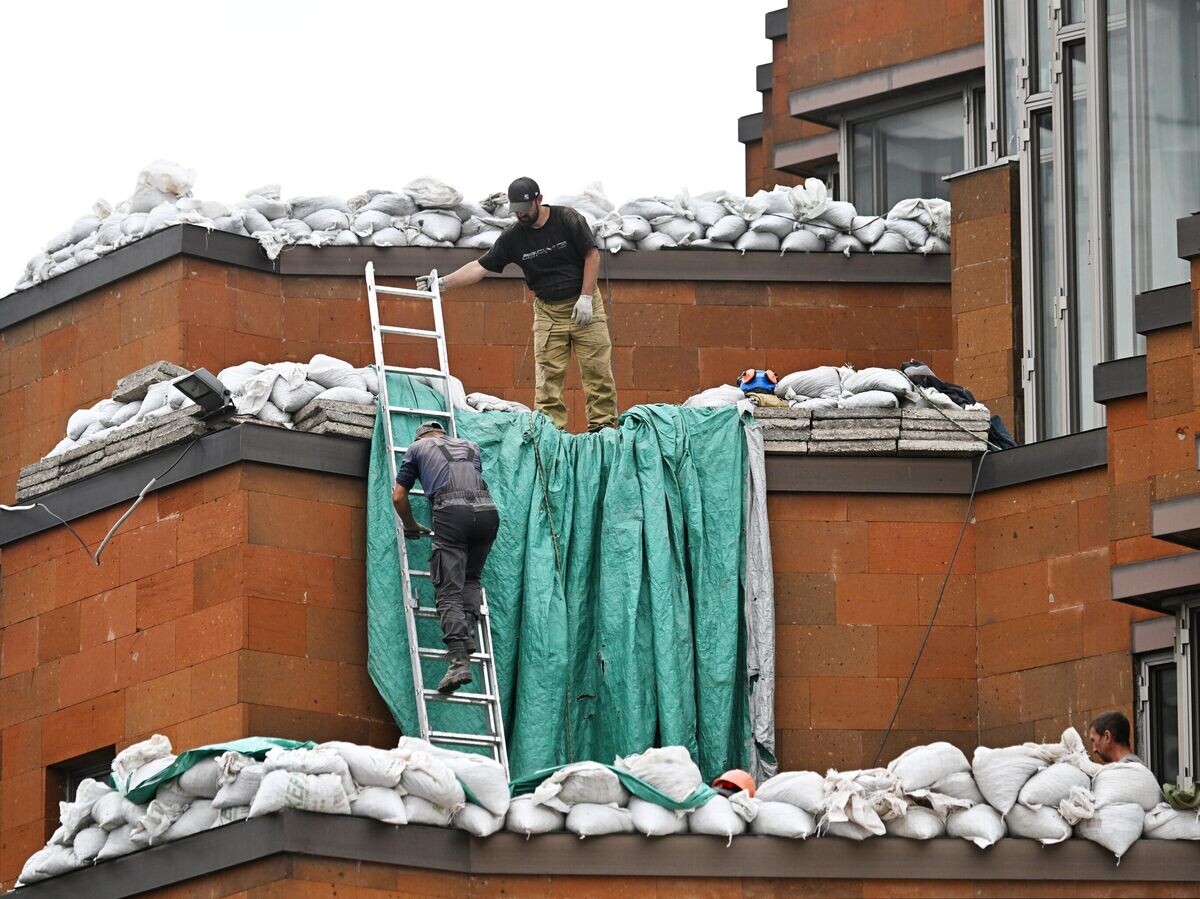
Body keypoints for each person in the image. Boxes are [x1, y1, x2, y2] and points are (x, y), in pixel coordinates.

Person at [417, 176, 618, 432]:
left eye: (525, 210)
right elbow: (480, 267)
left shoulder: (567, 219)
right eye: (516, 211)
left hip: (584, 304)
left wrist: (586, 296)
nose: (520, 216)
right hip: (549, 313)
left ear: (539, 200)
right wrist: (442, 283)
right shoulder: (513, 237)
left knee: (597, 372)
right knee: (548, 380)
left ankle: (603, 431)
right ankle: (550, 434)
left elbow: (591, 254)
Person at [392, 421, 499, 694]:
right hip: (487, 512)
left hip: (452, 513)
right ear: (442, 433)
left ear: (421, 436)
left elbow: (398, 496)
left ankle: (458, 662)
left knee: (448, 590)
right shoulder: (471, 446)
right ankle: (468, 633)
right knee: (470, 578)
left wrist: (410, 524)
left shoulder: (416, 448)